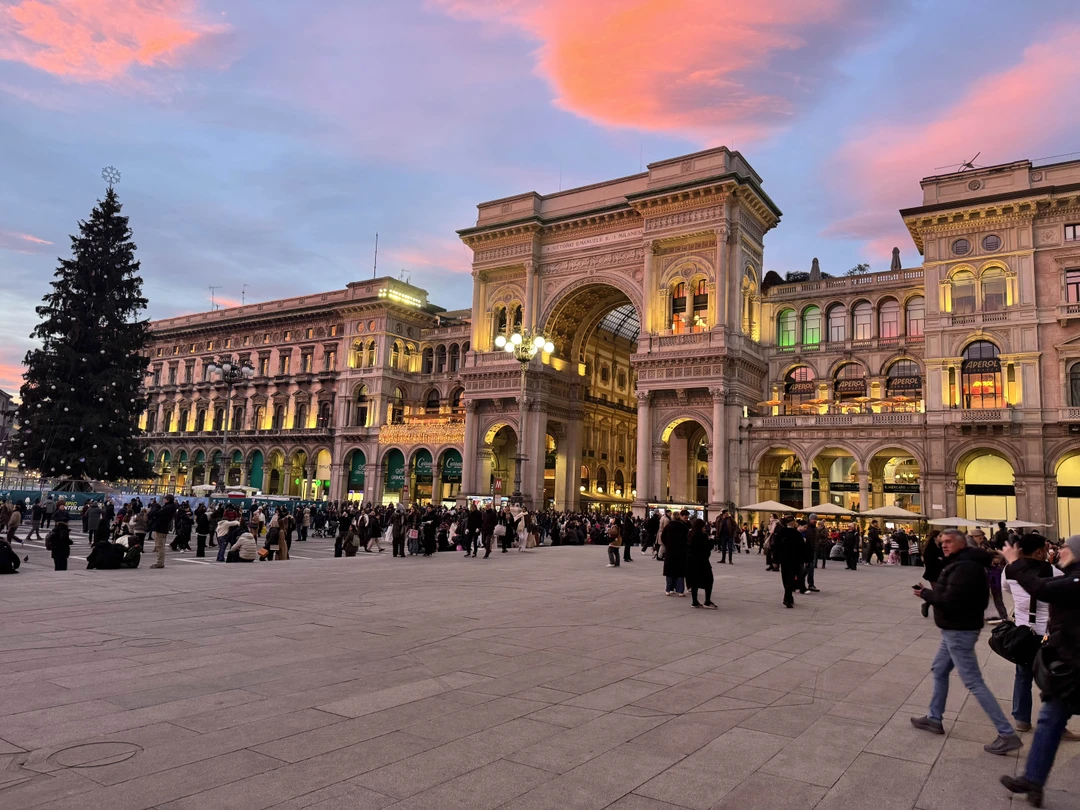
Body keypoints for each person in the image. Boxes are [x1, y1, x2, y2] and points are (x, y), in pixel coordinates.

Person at [911, 528, 1021, 755]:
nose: (944, 545)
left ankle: (1007, 733)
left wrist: (926, 594)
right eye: (942, 541)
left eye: (949, 541)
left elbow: (950, 600)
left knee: (973, 682)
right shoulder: (962, 562)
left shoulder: (964, 567)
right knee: (940, 669)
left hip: (959, 629)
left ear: (962, 543)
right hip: (955, 627)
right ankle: (934, 718)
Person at [1000, 534, 1080, 807]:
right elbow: (1039, 586)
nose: (1059, 550)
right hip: (1068, 661)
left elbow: (1039, 589)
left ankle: (1033, 779)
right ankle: (1033, 781)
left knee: (1049, 719)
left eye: (1066, 548)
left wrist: (1013, 562)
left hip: (1074, 660)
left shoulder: (1076, 580)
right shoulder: (1066, 575)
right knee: (1049, 720)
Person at [1001, 533, 1061, 734]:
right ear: (1038, 551)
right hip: (1047, 634)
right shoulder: (1053, 571)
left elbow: (1006, 589)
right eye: (1045, 548)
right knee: (1052, 679)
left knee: (1022, 675)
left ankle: (1021, 719)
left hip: (1023, 631)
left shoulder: (1008, 570)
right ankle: (1054, 723)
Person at [774, 515, 805, 608]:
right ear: (792, 522)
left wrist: (775, 560)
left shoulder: (781, 533)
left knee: (785, 577)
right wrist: (804, 559)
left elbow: (776, 547)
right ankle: (787, 598)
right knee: (791, 578)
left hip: (784, 559)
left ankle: (789, 597)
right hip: (794, 560)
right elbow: (802, 549)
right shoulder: (797, 534)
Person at [686, 518, 717, 608]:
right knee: (709, 580)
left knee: (694, 581)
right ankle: (707, 601)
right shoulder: (701, 535)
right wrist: (711, 541)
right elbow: (706, 547)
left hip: (691, 561)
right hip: (701, 561)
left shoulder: (690, 534)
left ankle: (694, 602)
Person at [661, 510, 689, 596]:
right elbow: (687, 539)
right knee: (680, 571)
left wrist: (668, 545)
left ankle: (669, 589)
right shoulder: (683, 527)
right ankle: (680, 590)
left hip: (670, 551)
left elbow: (663, 537)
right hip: (680, 551)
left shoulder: (668, 526)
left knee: (670, 570)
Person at [920, 530, 945, 618]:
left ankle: (927, 603)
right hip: (933, 574)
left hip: (942, 573)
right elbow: (929, 562)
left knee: (940, 592)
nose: (942, 537)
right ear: (935, 537)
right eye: (940, 536)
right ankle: (940, 612)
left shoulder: (942, 546)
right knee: (938, 593)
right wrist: (939, 561)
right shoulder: (929, 548)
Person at [149, 493, 177, 569]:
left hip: (160, 528)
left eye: (165, 499)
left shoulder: (167, 508)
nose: (164, 500)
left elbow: (158, 514)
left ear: (168, 500)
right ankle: (160, 562)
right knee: (160, 546)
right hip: (163, 528)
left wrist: (156, 508)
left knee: (159, 546)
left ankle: (159, 563)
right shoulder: (171, 507)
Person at [802, 513, 823, 591]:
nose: (814, 521)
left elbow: (817, 539)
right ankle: (800, 582)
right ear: (809, 519)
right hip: (806, 551)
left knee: (811, 568)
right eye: (813, 519)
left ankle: (811, 584)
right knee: (806, 568)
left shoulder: (815, 529)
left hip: (813, 551)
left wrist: (817, 546)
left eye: (815, 519)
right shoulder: (806, 528)